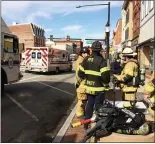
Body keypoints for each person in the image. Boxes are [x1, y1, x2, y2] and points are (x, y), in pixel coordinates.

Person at [78, 41, 110, 129]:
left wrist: (88, 78)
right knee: (98, 107)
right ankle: (97, 125)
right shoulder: (102, 61)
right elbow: (105, 77)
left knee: (89, 105)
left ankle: (86, 123)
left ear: (91, 49)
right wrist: (105, 83)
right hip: (99, 89)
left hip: (89, 88)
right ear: (100, 50)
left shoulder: (86, 59)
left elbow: (80, 73)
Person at [75, 46, 90, 118]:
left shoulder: (83, 60)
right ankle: (80, 113)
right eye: (84, 53)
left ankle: (81, 112)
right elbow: (79, 75)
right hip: (81, 83)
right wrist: (80, 82)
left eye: (87, 53)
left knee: (82, 99)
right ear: (81, 53)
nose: (86, 54)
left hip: (82, 83)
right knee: (81, 100)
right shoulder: (81, 61)